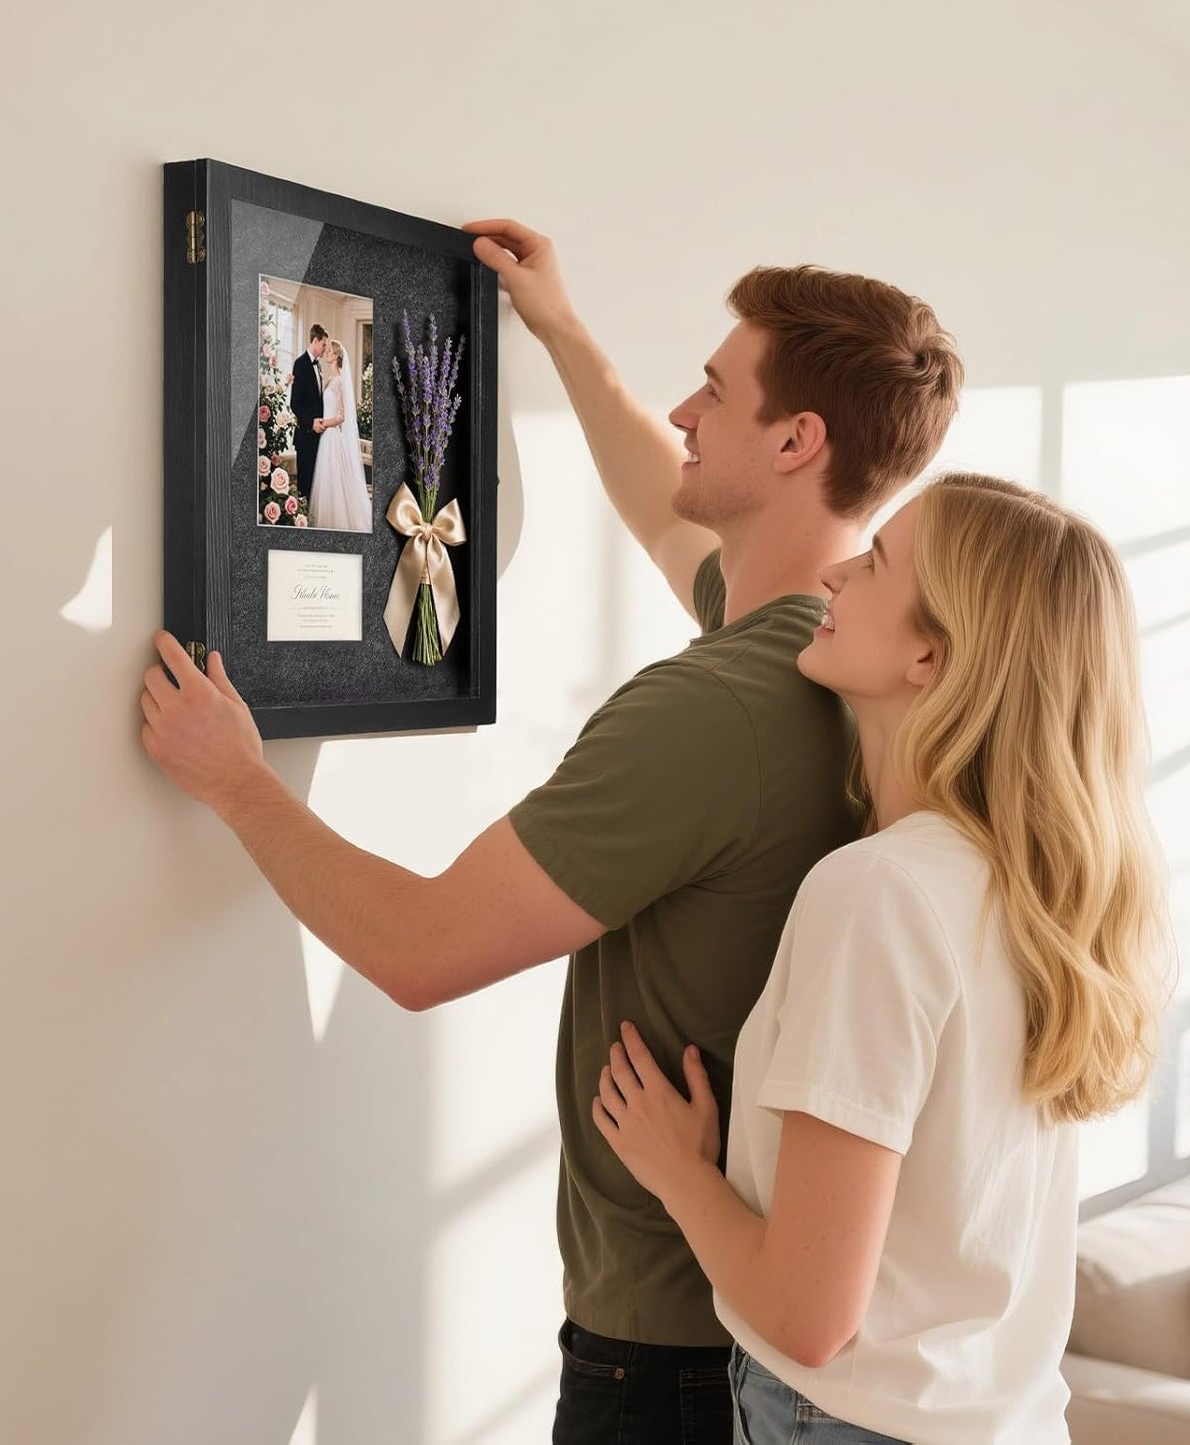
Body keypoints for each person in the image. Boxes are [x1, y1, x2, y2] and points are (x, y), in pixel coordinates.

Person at [140, 219, 962, 1445]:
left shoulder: (717, 708)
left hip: (670, 1350)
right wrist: (564, 333)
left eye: (716, 391)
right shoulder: (853, 664)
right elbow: (665, 506)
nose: (685, 411)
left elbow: (422, 949)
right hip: (729, 1328)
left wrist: (239, 783)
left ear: (797, 441)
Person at [592, 475, 1173, 1445]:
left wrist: (678, 1170)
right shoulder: (1032, 890)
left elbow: (806, 1317)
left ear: (928, 652)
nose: (832, 569)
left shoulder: (879, 894)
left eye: (871, 563)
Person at [309, 340, 372, 532]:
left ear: (336, 356)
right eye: (327, 351)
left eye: (329, 352)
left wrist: (323, 423)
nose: (326, 354)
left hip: (333, 436)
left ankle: (336, 523)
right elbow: (330, 411)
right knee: (326, 479)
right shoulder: (330, 381)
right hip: (326, 436)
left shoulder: (339, 383)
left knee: (334, 479)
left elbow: (341, 417)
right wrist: (321, 419)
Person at [289, 324, 328, 503]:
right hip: (305, 436)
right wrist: (311, 423)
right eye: (323, 344)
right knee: (305, 486)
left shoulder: (318, 366)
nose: (325, 348)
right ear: (315, 340)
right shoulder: (301, 363)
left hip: (317, 435)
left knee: (316, 485)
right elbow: (295, 403)